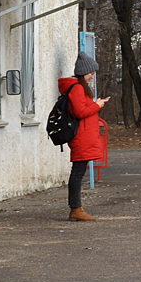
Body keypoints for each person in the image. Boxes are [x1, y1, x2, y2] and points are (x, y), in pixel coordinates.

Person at [61, 53, 109, 222]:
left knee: (78, 172)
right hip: (81, 137)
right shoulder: (77, 88)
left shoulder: (80, 88)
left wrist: (96, 104)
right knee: (77, 173)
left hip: (84, 137)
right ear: (83, 72)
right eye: (90, 73)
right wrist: (97, 105)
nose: (92, 76)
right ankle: (75, 208)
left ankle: (76, 208)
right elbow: (80, 112)